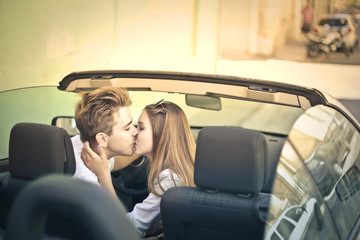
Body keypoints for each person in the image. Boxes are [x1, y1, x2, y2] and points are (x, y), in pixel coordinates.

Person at [81, 100, 196, 234]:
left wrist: (103, 175)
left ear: (160, 135)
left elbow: (125, 228)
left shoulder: (170, 180)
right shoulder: (175, 172)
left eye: (141, 128)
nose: (135, 132)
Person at [72, 86, 140, 185]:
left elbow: (113, 163)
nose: (136, 132)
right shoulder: (87, 183)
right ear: (102, 139)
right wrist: (104, 174)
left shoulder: (87, 145)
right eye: (127, 128)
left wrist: (142, 150)